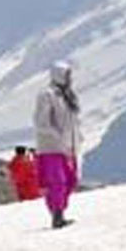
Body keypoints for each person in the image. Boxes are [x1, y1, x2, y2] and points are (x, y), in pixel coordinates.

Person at [33, 63, 81, 229]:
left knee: (71, 180)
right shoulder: (47, 95)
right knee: (57, 182)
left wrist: (76, 140)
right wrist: (57, 136)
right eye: (67, 75)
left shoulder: (68, 96)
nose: (70, 79)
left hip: (67, 147)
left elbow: (72, 122)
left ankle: (59, 210)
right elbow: (41, 122)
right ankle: (57, 215)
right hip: (51, 148)